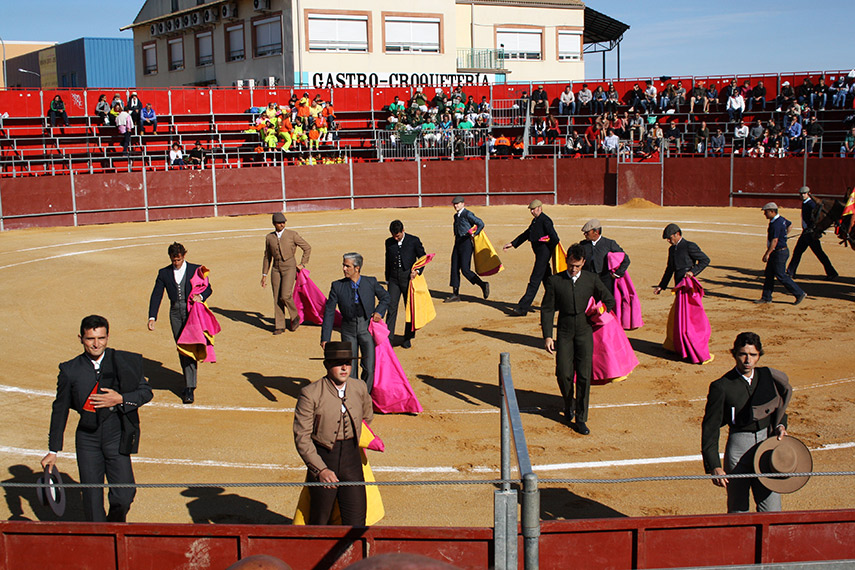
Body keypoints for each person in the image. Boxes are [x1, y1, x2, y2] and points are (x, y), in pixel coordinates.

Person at [42, 315, 152, 522]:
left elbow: (145, 392)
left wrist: (120, 399)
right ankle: (100, 541)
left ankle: (114, 525)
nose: (96, 344)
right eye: (90, 339)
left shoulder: (123, 362)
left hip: (116, 435)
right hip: (87, 439)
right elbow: (60, 410)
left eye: (101, 338)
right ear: (80, 339)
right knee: (92, 501)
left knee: (125, 494)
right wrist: (52, 450)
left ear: (108, 337)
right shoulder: (69, 370)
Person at [701, 332, 792, 513]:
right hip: (739, 445)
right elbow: (710, 427)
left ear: (759, 355)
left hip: (767, 444)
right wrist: (714, 465)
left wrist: (781, 425)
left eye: (753, 355)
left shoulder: (767, 377)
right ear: (734, 354)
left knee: (772, 509)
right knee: (738, 509)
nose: (747, 360)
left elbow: (778, 408)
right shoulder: (722, 386)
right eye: (743, 354)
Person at [293, 341, 373, 525]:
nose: (344, 367)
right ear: (327, 365)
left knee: (357, 521)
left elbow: (367, 416)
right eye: (338, 363)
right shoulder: (310, 393)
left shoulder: (359, 387)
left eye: (348, 362)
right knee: (320, 521)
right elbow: (302, 437)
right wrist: (320, 469)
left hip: (352, 461)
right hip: (324, 457)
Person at [541, 243, 616, 435]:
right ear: (567, 261)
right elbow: (548, 308)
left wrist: (600, 310)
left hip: (584, 330)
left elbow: (609, 300)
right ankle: (569, 403)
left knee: (583, 376)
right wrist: (548, 335)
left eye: (577, 266)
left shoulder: (591, 279)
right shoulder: (555, 281)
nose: (573, 269)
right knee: (563, 373)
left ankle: (581, 418)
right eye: (571, 265)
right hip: (565, 331)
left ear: (583, 262)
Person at [148, 242, 212, 404]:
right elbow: (157, 295)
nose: (176, 262)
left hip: (192, 312)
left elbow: (208, 288)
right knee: (181, 347)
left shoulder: (195, 270)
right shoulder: (164, 273)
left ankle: (189, 387)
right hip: (175, 312)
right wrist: (152, 317)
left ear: (184, 256)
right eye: (173, 260)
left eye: (178, 259)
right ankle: (189, 381)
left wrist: (201, 297)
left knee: (190, 345)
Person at [321, 253, 390, 393]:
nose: (344, 268)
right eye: (344, 265)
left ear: (357, 268)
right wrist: (325, 338)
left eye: (347, 266)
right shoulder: (337, 286)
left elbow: (385, 297)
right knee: (350, 369)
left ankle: (365, 395)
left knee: (369, 368)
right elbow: (329, 312)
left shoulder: (370, 282)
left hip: (366, 329)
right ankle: (352, 397)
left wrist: (379, 312)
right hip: (348, 330)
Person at [502, 200, 559, 316]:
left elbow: (555, 238)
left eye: (533, 209)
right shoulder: (536, 221)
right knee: (548, 281)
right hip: (539, 253)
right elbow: (526, 234)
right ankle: (557, 303)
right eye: (531, 210)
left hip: (543, 254)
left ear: (539, 208)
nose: (532, 212)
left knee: (534, 280)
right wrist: (513, 244)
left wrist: (548, 247)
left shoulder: (545, 220)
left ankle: (523, 307)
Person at [262, 212, 311, 334]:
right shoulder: (269, 237)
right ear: (274, 224)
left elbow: (307, 247)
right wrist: (264, 274)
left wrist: (302, 263)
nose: (282, 224)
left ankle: (294, 316)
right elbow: (267, 257)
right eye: (279, 223)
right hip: (275, 269)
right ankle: (279, 325)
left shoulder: (292, 235)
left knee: (285, 295)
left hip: (289, 267)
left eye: (283, 222)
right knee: (277, 297)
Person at [384, 220, 426, 349]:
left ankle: (407, 337)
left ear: (403, 231)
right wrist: (387, 279)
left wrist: (417, 271)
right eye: (394, 236)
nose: (396, 238)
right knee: (391, 308)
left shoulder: (413, 240)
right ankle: (388, 339)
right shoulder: (389, 242)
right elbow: (387, 260)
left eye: (398, 236)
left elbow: (423, 257)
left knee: (409, 308)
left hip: (408, 278)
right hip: (393, 279)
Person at [756, 203, 806, 305]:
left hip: (778, 253)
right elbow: (790, 224)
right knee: (769, 275)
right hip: (780, 251)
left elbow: (774, 241)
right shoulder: (781, 219)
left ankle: (799, 293)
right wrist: (784, 235)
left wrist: (767, 254)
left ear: (772, 211)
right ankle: (766, 297)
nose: (765, 214)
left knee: (781, 275)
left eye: (766, 212)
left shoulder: (776, 224)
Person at [787, 187, 838, 280]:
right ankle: (790, 272)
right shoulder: (806, 203)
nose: (802, 195)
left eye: (804, 193)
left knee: (817, 253)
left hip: (810, 233)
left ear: (809, 193)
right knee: (799, 252)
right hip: (806, 232)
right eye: (801, 193)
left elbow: (817, 217)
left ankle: (832, 272)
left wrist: (814, 229)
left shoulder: (811, 204)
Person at [446, 196, 490, 303]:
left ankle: (482, 284)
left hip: (466, 243)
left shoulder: (467, 214)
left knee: (465, 269)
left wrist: (475, 233)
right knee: (454, 267)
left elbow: (480, 223)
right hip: (457, 242)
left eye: (458, 204)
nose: (456, 206)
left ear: (462, 204)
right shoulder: (456, 216)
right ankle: (455, 294)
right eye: (454, 204)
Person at [654, 224, 710, 294]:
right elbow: (670, 269)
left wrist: (692, 272)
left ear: (677, 234)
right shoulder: (672, 249)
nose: (668, 240)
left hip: (688, 283)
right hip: (678, 283)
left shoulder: (689, 246)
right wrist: (661, 286)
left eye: (670, 238)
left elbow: (705, 260)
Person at [579, 219, 630, 295]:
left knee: (607, 302)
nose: (585, 234)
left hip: (605, 280)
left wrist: (617, 273)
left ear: (596, 232)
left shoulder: (609, 244)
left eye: (587, 232)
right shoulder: (582, 244)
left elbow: (625, 259)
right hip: (588, 280)